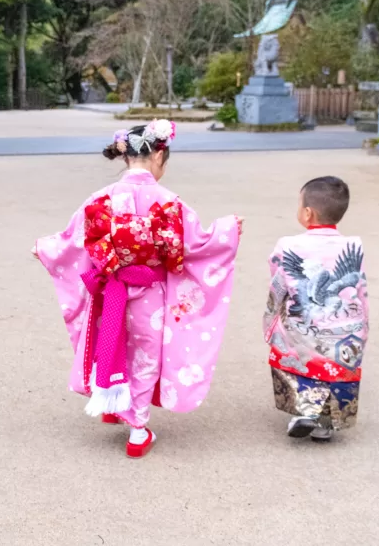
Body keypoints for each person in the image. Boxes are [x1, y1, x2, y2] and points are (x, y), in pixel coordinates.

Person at [34, 121, 242, 458]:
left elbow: (74, 240)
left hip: (110, 291)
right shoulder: (170, 202)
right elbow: (197, 243)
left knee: (113, 343)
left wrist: (46, 249)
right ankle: (138, 429)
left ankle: (113, 404)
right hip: (149, 292)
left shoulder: (100, 198)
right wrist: (228, 230)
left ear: (125, 156)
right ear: (160, 155)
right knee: (145, 355)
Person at [263, 176, 368, 442]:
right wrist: (363, 323)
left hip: (306, 323)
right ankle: (326, 424)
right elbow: (358, 286)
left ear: (307, 213)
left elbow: (278, 277)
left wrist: (273, 315)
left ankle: (304, 411)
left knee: (301, 357)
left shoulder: (289, 245)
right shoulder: (353, 245)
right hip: (344, 324)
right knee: (337, 366)